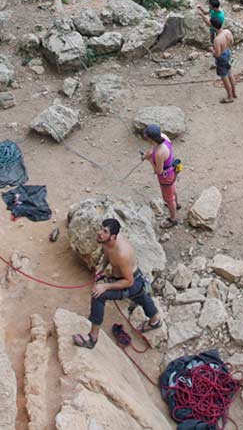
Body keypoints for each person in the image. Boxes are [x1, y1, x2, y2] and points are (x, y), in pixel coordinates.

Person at [73, 218, 161, 348]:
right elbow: (107, 254)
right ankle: (155, 321)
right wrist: (102, 268)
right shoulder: (106, 240)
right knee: (140, 296)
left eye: (104, 231)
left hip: (131, 282)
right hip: (128, 280)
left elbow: (129, 282)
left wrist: (105, 286)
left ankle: (92, 338)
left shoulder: (122, 254)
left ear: (113, 236)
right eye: (101, 228)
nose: (99, 233)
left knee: (98, 295)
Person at [143, 125, 179, 227]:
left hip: (165, 177)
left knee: (168, 198)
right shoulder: (164, 137)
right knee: (172, 188)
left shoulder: (159, 153)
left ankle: (173, 219)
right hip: (172, 170)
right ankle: (177, 203)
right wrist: (150, 152)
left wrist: (149, 159)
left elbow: (158, 171)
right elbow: (154, 147)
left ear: (151, 139)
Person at [212, 18, 236, 104]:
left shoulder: (217, 39)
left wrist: (212, 50)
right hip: (228, 52)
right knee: (230, 73)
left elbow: (217, 54)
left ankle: (230, 97)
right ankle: (234, 93)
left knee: (224, 77)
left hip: (222, 58)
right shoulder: (227, 32)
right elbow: (232, 41)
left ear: (213, 26)